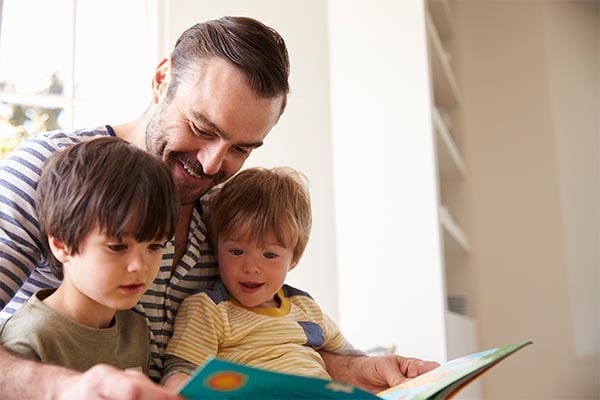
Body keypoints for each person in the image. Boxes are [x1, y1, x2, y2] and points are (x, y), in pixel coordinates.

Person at [0, 16, 438, 399]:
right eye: (201, 128)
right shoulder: (50, 168)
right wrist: (64, 388)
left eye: (241, 148)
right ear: (161, 80)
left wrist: (357, 371)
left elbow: (257, 337)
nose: (211, 164)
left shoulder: (227, 208)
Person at [161, 167, 366, 390]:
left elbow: (353, 360)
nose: (251, 268)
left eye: (270, 255)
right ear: (215, 247)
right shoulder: (208, 309)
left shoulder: (305, 307)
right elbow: (179, 377)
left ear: (294, 258)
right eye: (236, 252)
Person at [0, 137, 179, 374]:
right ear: (61, 244)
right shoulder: (28, 340)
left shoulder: (135, 329)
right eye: (117, 247)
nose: (139, 266)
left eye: (155, 246)